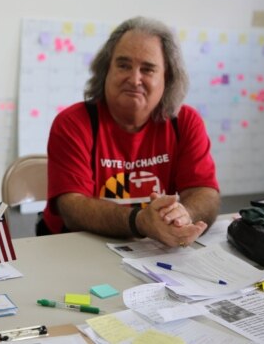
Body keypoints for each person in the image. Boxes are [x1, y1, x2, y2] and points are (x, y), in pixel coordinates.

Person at [38, 16, 220, 247]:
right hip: (78, 246)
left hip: (154, 252)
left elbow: (204, 191)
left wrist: (185, 214)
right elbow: (73, 207)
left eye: (148, 69)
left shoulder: (185, 122)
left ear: (168, 78)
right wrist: (140, 221)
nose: (134, 79)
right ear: (106, 71)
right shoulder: (73, 123)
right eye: (123, 65)